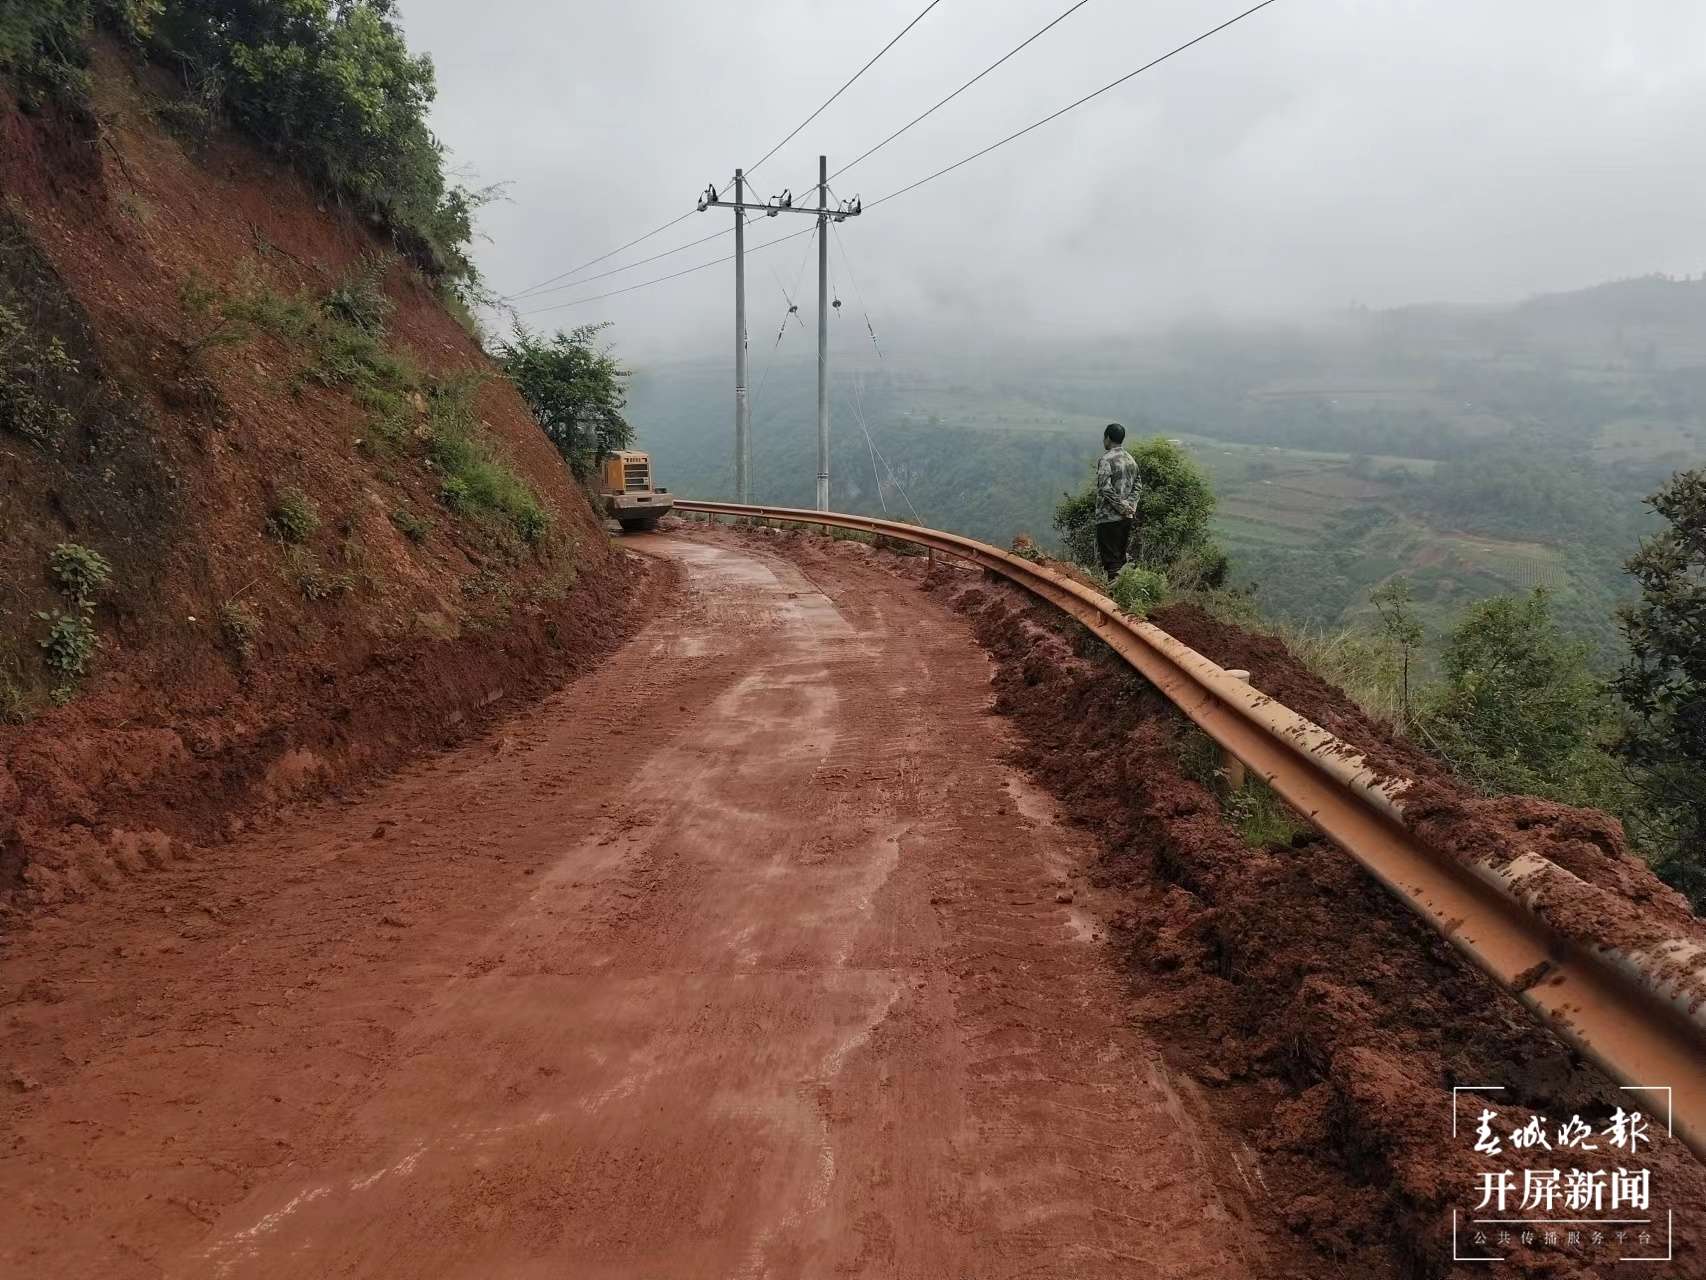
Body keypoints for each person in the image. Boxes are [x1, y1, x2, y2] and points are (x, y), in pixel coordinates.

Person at [1093, 422, 1139, 579]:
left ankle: (1112, 597)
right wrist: (1129, 506)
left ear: (1108, 437)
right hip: (1126, 518)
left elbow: (1105, 488)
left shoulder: (1106, 459)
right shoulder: (1131, 460)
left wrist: (1120, 507)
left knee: (1111, 561)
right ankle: (1124, 593)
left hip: (1108, 518)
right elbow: (1138, 486)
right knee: (1120, 557)